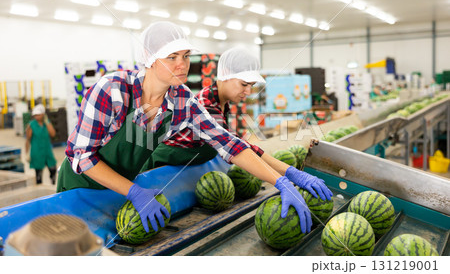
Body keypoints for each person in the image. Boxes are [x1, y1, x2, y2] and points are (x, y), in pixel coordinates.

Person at [57, 21, 315, 235]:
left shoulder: (181, 100)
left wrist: (282, 180)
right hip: (79, 188)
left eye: (186, 56)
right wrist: (134, 191)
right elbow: (81, 157)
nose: (182, 64)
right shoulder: (112, 90)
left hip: (124, 187)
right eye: (172, 57)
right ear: (150, 60)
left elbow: (228, 143)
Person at [160, 46, 333, 203]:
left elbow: (237, 144)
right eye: (244, 84)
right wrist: (286, 176)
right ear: (225, 74)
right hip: (162, 174)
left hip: (186, 171)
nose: (248, 92)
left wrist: (289, 173)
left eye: (250, 85)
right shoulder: (204, 103)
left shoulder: (220, 101)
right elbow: (234, 146)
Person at [25, 104, 57, 185]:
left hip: (47, 151)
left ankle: (52, 185)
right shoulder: (31, 125)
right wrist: (27, 153)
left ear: (43, 114)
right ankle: (40, 189)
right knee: (38, 174)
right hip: (37, 152)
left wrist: (47, 122)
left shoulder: (47, 123)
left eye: (38, 115)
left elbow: (53, 134)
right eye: (35, 115)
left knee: (53, 168)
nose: (36, 117)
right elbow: (28, 140)